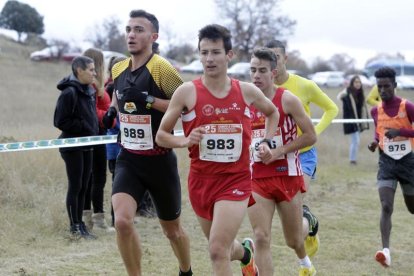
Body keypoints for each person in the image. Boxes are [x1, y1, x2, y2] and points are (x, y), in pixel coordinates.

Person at [156, 24, 279, 276]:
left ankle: (241, 253)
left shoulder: (246, 91)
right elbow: (161, 136)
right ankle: (245, 253)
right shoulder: (186, 92)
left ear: (229, 55)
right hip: (201, 181)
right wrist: (185, 141)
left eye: (215, 52)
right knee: (223, 247)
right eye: (204, 53)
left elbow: (272, 112)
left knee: (216, 250)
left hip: (236, 180)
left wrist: (267, 141)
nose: (209, 59)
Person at [102, 10, 192, 275]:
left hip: (159, 160)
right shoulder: (118, 67)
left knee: (172, 231)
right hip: (128, 158)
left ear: (153, 36)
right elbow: (121, 95)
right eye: (129, 29)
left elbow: (186, 106)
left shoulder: (162, 68)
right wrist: (112, 110)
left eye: (139, 30)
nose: (131, 34)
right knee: (122, 221)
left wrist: (148, 100)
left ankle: (186, 270)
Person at [247, 47, 317, 276]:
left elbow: (310, 135)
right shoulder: (244, 100)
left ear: (273, 73)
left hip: (287, 175)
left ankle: (309, 225)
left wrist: (279, 151)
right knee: (260, 236)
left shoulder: (287, 99)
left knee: (294, 240)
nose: (256, 75)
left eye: (262, 70)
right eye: (253, 70)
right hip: (257, 178)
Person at [266, 40, 338, 257]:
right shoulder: (261, 89)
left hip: (302, 154)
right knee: (288, 216)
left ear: (285, 59)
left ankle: (308, 222)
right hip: (275, 156)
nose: (273, 62)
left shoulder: (304, 86)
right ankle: (307, 222)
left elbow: (331, 108)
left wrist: (314, 132)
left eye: (276, 57)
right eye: (268, 58)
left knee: (295, 199)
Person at [367, 66, 414, 268]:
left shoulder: (408, 107)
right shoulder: (375, 110)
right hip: (386, 162)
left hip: (408, 162)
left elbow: (400, 131)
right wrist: (374, 142)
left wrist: (400, 131)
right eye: (379, 87)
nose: (383, 90)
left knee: (412, 208)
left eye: (386, 86)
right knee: (386, 206)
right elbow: (379, 133)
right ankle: (385, 252)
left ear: (394, 85)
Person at [53, 56, 99, 239]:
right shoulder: (69, 93)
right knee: (76, 185)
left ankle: (80, 225)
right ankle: (74, 228)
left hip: (88, 143)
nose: (94, 73)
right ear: (79, 71)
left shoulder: (89, 90)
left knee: (84, 186)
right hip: (72, 145)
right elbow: (59, 121)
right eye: (91, 69)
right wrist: (82, 126)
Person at [82, 48, 114, 233]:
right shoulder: (93, 86)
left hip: (97, 133)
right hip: (96, 133)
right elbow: (93, 112)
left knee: (91, 177)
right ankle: (97, 220)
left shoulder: (95, 86)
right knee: (97, 177)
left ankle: (89, 218)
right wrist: (108, 116)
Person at [337, 75, 370, 165]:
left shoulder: (361, 93)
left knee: (355, 141)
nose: (358, 84)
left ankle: (353, 159)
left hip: (359, 121)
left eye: (359, 82)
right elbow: (340, 97)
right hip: (351, 121)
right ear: (352, 83)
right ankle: (352, 160)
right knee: (356, 141)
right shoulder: (347, 93)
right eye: (356, 82)